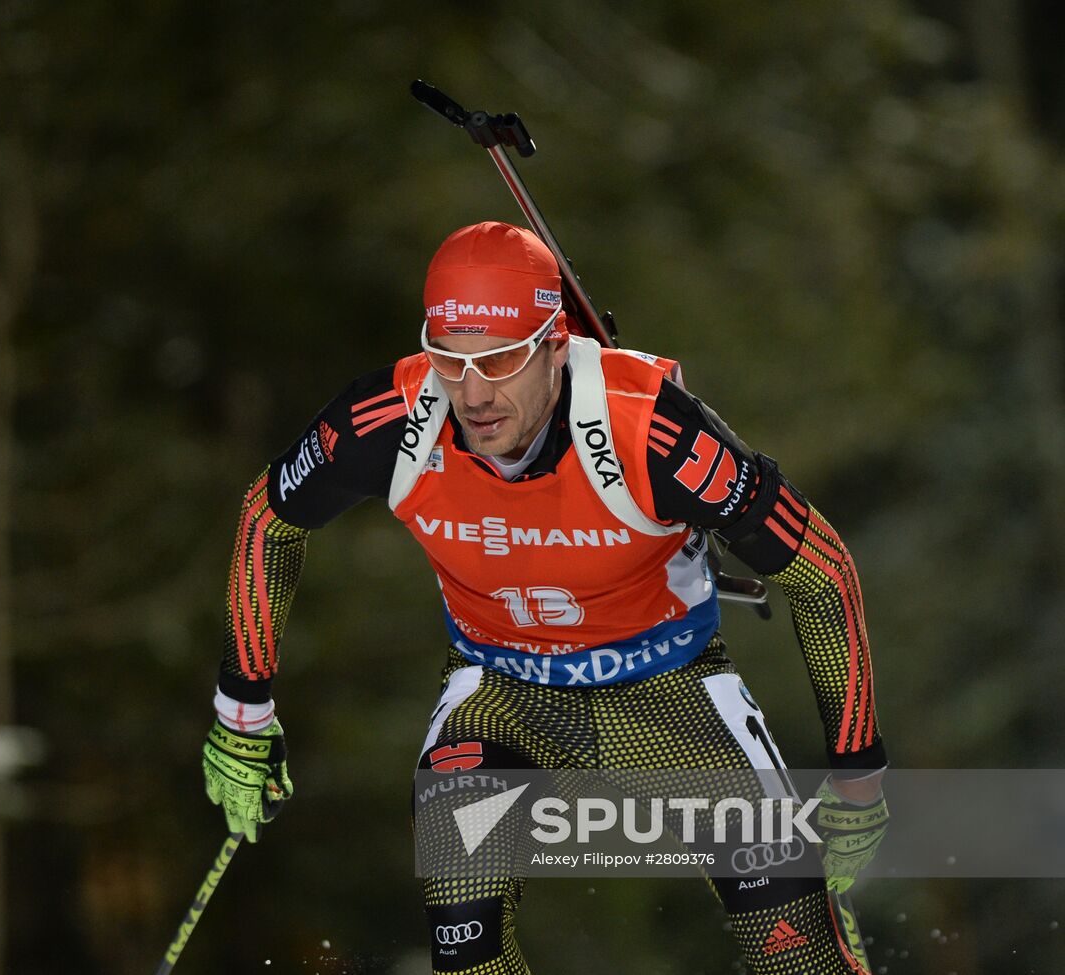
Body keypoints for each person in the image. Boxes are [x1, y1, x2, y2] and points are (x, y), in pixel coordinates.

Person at [200, 221, 888, 973]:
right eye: (448, 360)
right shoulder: (392, 420)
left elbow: (822, 571)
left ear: (556, 344)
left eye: (498, 359)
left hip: (671, 695)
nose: (472, 393)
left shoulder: (652, 431)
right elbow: (268, 517)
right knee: (465, 948)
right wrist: (243, 713)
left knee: (798, 959)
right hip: (501, 695)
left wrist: (857, 776)